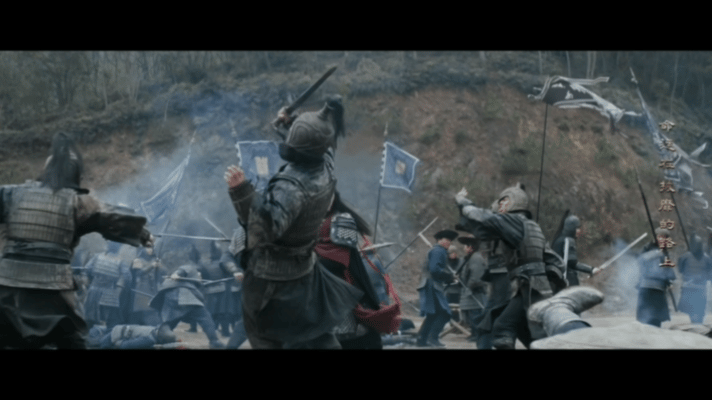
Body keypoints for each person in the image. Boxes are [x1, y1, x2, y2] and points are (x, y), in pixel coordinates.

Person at [224, 96, 362, 349]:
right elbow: (316, 143)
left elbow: (264, 231)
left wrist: (241, 192)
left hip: (273, 278)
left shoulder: (292, 187)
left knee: (264, 334)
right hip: (306, 269)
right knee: (313, 332)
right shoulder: (326, 166)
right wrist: (292, 123)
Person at [0, 132, 153, 349]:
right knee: (71, 338)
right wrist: (144, 235)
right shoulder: (79, 203)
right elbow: (112, 217)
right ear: (75, 175)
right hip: (52, 287)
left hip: (8, 285)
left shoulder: (11, 194)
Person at [455, 183, 566, 349]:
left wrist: (463, 201)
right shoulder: (532, 226)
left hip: (527, 286)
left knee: (502, 330)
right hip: (532, 287)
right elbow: (556, 262)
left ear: (512, 201)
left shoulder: (513, 221)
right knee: (525, 332)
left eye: (503, 201)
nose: (500, 205)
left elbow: (483, 217)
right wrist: (549, 284)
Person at [315, 192, 402, 349]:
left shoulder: (341, 218)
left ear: (333, 199)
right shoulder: (311, 219)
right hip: (316, 271)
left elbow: (340, 256)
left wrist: (313, 258)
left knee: (346, 322)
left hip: (337, 277)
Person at [149, 262, 225, 349]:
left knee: (169, 322)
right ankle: (214, 341)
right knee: (205, 317)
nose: (200, 277)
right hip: (182, 295)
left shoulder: (189, 282)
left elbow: (199, 295)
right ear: (197, 272)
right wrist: (177, 274)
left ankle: (154, 339)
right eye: (200, 275)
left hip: (170, 297)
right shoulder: (191, 268)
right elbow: (184, 269)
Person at [417, 229, 458, 347]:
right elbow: (435, 270)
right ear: (439, 240)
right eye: (446, 239)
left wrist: (449, 278)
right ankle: (432, 339)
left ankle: (422, 339)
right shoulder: (438, 251)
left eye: (450, 240)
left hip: (430, 284)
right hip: (432, 285)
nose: (448, 242)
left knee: (433, 314)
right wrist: (450, 276)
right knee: (445, 313)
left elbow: (436, 270)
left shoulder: (438, 250)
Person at [83, 242, 134, 330]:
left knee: (89, 317)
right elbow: (128, 277)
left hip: (93, 290)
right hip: (109, 293)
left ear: (108, 246)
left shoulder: (97, 257)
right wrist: (121, 287)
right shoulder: (120, 261)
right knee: (104, 320)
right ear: (118, 248)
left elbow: (86, 270)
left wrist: (87, 285)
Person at [636, 228, 677, 328]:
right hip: (647, 284)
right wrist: (655, 253)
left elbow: (666, 268)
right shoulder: (648, 247)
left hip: (659, 287)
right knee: (644, 317)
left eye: (664, 237)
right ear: (656, 237)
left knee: (657, 318)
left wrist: (669, 281)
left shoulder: (664, 251)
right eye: (660, 236)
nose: (662, 239)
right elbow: (641, 260)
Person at [455, 236, 487, 343]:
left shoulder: (476, 258)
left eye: (465, 246)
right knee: (471, 314)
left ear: (470, 247)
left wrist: (469, 287)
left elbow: (476, 277)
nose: (464, 248)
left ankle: (477, 334)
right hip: (469, 291)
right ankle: (474, 333)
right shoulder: (471, 257)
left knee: (475, 314)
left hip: (474, 291)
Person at [551, 212, 594, 286]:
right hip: (566, 283)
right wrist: (591, 269)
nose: (579, 231)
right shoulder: (568, 240)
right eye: (577, 228)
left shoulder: (558, 239)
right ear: (571, 228)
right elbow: (572, 264)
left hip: (556, 282)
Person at [677, 234, 712, 324]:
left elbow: (680, 270)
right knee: (698, 309)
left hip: (690, 287)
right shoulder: (706, 258)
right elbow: (709, 274)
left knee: (695, 309)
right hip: (698, 288)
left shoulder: (685, 256)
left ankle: (696, 321)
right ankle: (696, 321)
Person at [86, 322, 178, 349]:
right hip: (115, 335)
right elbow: (125, 346)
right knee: (92, 343)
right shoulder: (150, 339)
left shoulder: (153, 329)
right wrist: (117, 343)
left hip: (117, 331)